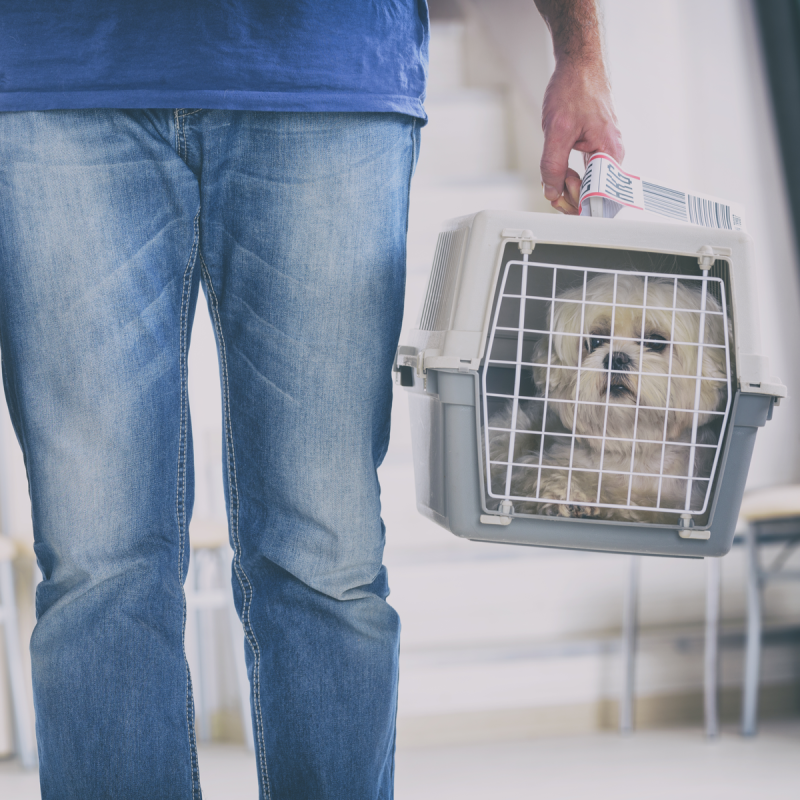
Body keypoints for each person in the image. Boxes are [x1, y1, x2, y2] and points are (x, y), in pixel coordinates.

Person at [0, 1, 622, 798]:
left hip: (327, 70)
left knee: (324, 554)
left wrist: (580, 50)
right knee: (95, 565)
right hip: (56, 74)